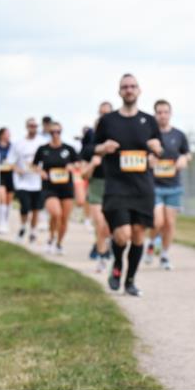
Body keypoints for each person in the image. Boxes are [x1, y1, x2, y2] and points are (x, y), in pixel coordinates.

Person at [93, 74, 163, 296]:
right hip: (116, 186)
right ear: (119, 91)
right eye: (125, 87)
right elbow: (88, 149)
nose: (129, 90)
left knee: (138, 235)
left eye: (132, 86)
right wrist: (102, 148)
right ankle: (117, 267)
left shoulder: (149, 121)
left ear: (139, 90)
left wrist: (156, 152)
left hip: (142, 188)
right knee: (122, 234)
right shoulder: (108, 121)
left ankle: (130, 280)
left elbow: (160, 152)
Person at [146, 99, 190, 270]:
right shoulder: (149, 136)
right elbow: (143, 156)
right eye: (159, 112)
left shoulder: (179, 135)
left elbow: (187, 154)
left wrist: (184, 159)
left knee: (169, 223)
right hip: (154, 185)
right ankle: (151, 244)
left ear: (170, 114)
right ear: (155, 114)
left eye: (165, 112)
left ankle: (164, 254)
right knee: (158, 222)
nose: (162, 115)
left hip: (173, 186)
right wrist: (149, 160)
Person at [33, 121, 80, 254]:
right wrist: (40, 172)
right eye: (52, 132)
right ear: (49, 133)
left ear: (61, 132)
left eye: (57, 132)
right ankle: (51, 237)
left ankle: (59, 243)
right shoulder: (43, 149)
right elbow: (35, 165)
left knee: (64, 218)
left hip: (66, 187)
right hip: (49, 187)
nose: (55, 134)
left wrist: (73, 166)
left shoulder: (69, 149)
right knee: (56, 213)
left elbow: (78, 163)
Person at [81, 101, 114, 272]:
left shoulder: (119, 134)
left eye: (107, 113)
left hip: (115, 183)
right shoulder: (91, 136)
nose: (104, 117)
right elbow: (83, 171)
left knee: (109, 225)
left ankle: (106, 246)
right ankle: (102, 256)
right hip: (97, 184)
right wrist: (93, 164)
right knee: (100, 222)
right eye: (101, 113)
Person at [7, 118, 46, 244]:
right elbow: (10, 162)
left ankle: (33, 231)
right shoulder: (18, 143)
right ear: (26, 126)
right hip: (23, 181)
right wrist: (18, 170)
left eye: (35, 126)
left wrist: (41, 171)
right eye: (31, 125)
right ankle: (23, 226)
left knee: (36, 208)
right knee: (25, 206)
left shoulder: (42, 142)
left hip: (37, 181)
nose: (33, 128)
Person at [0, 127, 14, 234]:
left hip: (10, 174)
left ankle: (5, 220)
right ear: (1, 135)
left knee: (9, 200)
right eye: (6, 133)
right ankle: (1, 223)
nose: (8, 135)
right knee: (2, 198)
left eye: (9, 134)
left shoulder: (12, 147)